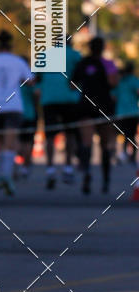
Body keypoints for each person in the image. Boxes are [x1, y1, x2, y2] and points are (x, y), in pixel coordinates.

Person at [0, 30, 34, 196]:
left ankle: (0, 175)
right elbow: (30, 81)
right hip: (13, 106)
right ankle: (6, 176)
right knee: (10, 142)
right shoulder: (18, 61)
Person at [71, 36, 119, 193]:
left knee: (86, 142)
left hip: (86, 105)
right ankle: (105, 180)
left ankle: (87, 173)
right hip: (104, 105)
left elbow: (72, 85)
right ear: (103, 48)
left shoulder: (82, 63)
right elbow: (113, 83)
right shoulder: (108, 63)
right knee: (105, 145)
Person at [35, 37, 82, 189]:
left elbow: (37, 77)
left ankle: (50, 168)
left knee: (50, 135)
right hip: (70, 98)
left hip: (49, 98)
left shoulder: (44, 55)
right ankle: (68, 167)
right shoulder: (75, 54)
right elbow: (81, 74)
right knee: (70, 134)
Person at [114, 62, 139, 163]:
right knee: (130, 134)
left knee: (126, 134)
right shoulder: (133, 80)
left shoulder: (120, 81)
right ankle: (130, 155)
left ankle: (126, 153)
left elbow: (114, 96)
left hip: (122, 113)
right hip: (132, 112)